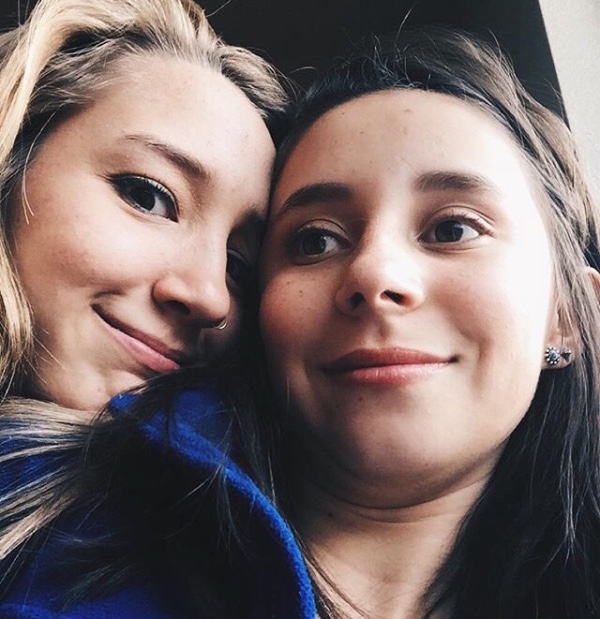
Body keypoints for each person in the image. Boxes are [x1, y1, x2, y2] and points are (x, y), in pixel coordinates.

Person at [258, 27, 600, 618]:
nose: (373, 274)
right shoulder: (96, 537)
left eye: (453, 229)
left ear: (566, 314)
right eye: (315, 240)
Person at [0, 0, 293, 616]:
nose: (210, 296)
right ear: (12, 161)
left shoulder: (197, 552)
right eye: (149, 196)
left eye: (239, 265)